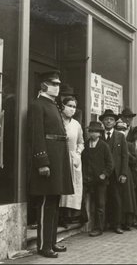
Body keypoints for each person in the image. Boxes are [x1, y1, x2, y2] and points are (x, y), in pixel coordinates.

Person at [28, 70, 73, 258]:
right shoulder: (38, 105)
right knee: (46, 202)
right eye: (54, 83)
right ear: (43, 85)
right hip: (48, 160)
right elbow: (36, 135)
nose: (57, 87)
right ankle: (43, 246)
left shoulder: (53, 105)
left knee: (54, 202)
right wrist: (42, 161)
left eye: (58, 84)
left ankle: (52, 242)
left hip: (59, 158)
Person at [100, 109, 129, 234]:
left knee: (116, 199)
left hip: (116, 173)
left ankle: (117, 224)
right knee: (102, 199)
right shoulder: (99, 135)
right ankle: (103, 224)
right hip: (102, 173)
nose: (108, 121)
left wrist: (123, 173)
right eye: (106, 119)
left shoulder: (120, 136)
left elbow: (124, 156)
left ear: (114, 122)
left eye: (111, 119)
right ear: (103, 122)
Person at [82, 121, 114, 237]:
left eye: (95, 131)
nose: (92, 133)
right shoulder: (85, 145)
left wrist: (104, 174)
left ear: (100, 133)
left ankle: (98, 228)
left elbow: (110, 164)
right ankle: (84, 222)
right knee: (82, 200)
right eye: (90, 131)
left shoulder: (104, 146)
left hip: (100, 181)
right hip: (87, 179)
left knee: (100, 204)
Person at [59, 96, 85, 227]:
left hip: (73, 158)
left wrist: (78, 153)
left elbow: (81, 142)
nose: (72, 109)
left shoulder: (76, 124)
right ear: (63, 106)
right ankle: (59, 216)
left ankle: (68, 216)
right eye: (69, 105)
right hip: (59, 157)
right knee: (60, 186)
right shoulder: (58, 121)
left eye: (74, 107)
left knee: (72, 187)